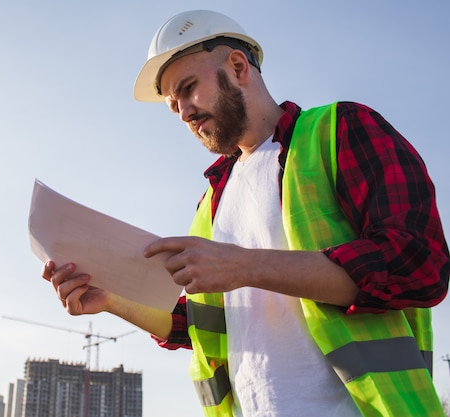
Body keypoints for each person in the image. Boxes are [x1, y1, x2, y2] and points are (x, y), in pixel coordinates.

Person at [41, 9, 449, 417]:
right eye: (173, 105)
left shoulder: (339, 130)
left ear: (237, 67)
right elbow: (201, 326)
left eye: (188, 88)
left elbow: (419, 264)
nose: (183, 112)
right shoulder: (211, 203)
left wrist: (243, 266)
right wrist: (111, 300)